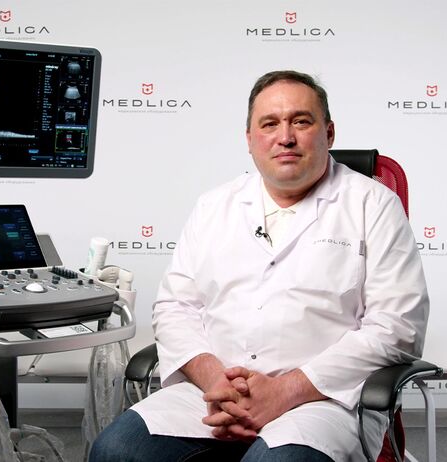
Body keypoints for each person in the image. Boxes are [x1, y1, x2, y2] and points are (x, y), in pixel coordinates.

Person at [89, 70, 429, 462]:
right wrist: (216, 381)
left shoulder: (373, 204)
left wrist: (286, 390)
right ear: (250, 139)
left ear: (329, 133)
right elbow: (175, 307)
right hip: (212, 395)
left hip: (322, 401)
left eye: (301, 121)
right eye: (269, 124)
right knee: (115, 451)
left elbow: (398, 326)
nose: (285, 137)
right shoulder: (214, 206)